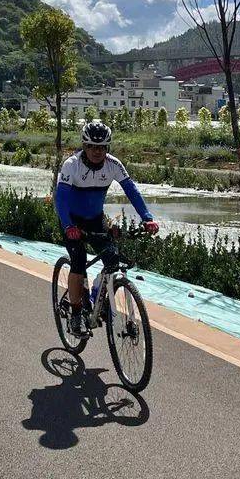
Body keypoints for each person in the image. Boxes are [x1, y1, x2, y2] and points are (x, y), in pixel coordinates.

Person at [54, 120, 159, 337]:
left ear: (107, 148)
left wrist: (147, 218)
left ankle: (95, 296)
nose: (96, 151)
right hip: (72, 221)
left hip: (95, 219)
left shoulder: (114, 165)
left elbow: (132, 191)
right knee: (78, 261)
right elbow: (61, 199)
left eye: (101, 147)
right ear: (84, 146)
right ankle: (75, 315)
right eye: (92, 146)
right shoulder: (71, 165)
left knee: (112, 259)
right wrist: (68, 226)